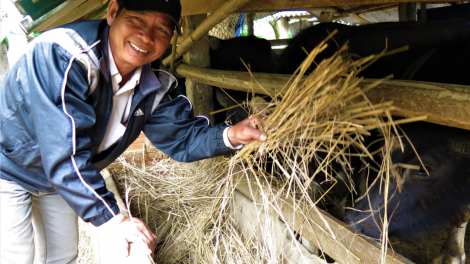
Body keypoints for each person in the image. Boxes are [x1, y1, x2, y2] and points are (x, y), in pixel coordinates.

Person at [0, 0, 267, 262]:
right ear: (113, 12)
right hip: (7, 166)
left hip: (53, 180)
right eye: (137, 19)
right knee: (16, 256)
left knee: (61, 255)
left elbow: (181, 137)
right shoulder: (65, 56)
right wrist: (114, 219)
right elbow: (63, 151)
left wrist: (231, 135)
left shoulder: (152, 82)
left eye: (161, 29)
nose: (146, 36)